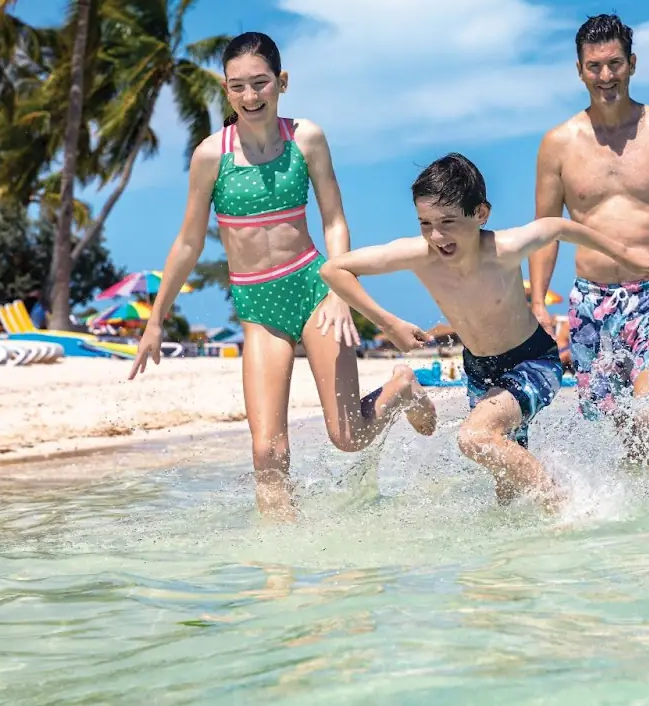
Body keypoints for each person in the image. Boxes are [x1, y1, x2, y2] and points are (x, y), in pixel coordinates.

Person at [130, 32, 436, 519]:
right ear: (225, 91)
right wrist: (155, 319)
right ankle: (280, 577)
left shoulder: (306, 139)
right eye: (238, 87)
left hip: (315, 289)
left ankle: (401, 386)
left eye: (261, 83)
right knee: (267, 454)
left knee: (347, 437)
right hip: (258, 307)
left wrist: (340, 290)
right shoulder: (212, 156)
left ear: (282, 82)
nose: (251, 97)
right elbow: (188, 242)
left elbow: (334, 219)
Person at [320, 154, 649, 511]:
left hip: (533, 361)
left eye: (448, 221)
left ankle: (567, 509)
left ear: (480, 214)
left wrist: (625, 254)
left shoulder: (505, 249)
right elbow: (334, 269)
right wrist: (389, 323)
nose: (437, 236)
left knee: (475, 437)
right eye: (425, 223)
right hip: (481, 370)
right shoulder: (418, 254)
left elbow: (558, 227)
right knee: (507, 490)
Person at [529, 14, 649, 466]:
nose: (606, 76)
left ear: (632, 64)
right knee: (626, 433)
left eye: (615, 63)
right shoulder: (558, 143)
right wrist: (539, 303)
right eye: (594, 67)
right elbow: (545, 228)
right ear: (579, 71)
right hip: (592, 304)